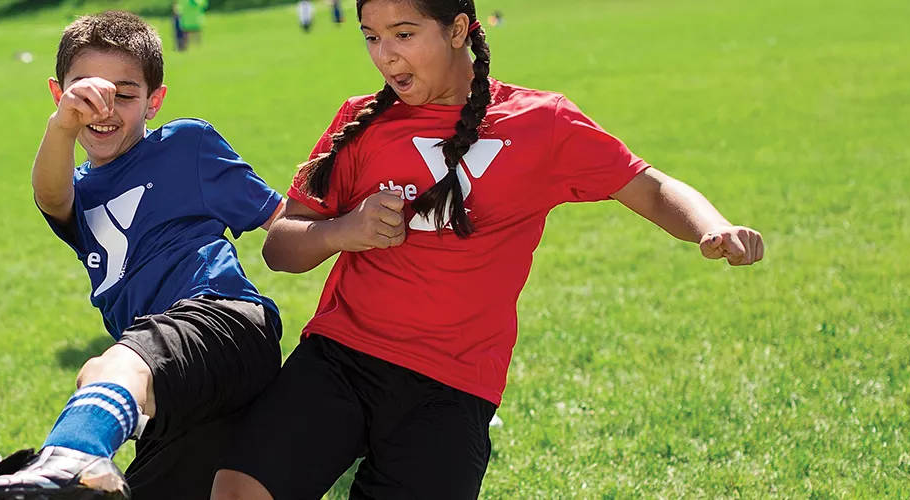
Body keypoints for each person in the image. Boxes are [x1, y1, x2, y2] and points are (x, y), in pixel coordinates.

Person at [210, 1, 765, 498]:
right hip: (341, 357)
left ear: (458, 29)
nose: (384, 56)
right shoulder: (361, 123)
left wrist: (711, 227)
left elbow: (647, 186)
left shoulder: (541, 121)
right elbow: (281, 250)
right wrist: (343, 231)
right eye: (371, 37)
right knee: (238, 490)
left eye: (403, 34)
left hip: (453, 385)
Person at [0, 10, 286, 500]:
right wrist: (61, 127)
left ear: (155, 101)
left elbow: (282, 219)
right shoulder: (77, 192)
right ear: (59, 95)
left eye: (124, 94)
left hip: (224, 324)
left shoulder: (186, 145)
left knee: (106, 368)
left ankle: (65, 456)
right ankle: (74, 467)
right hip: (164, 387)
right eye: (85, 93)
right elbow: (50, 195)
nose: (103, 109)